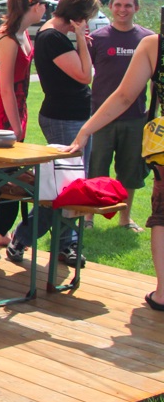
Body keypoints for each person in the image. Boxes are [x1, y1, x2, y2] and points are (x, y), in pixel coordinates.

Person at [67, 22, 164, 311]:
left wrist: (86, 129)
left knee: (162, 215)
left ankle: (162, 294)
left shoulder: (154, 45)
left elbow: (124, 96)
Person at [5, 0, 100, 268]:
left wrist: (79, 41)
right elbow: (85, 75)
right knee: (63, 188)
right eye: (87, 19)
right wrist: (80, 40)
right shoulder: (52, 38)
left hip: (75, 117)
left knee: (71, 187)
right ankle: (24, 238)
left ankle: (65, 244)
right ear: (78, 17)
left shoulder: (56, 36)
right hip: (64, 119)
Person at [0, 0, 47, 248]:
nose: (46, 10)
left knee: (12, 172)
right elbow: (5, 87)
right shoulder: (8, 39)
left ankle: (2, 231)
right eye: (45, 5)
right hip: (1, 110)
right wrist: (14, 127)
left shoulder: (24, 34)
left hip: (17, 107)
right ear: (36, 6)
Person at [89, 0, 152, 231]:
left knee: (130, 170)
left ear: (137, 8)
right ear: (110, 7)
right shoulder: (97, 39)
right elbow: (84, 72)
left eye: (127, 5)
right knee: (96, 169)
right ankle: (89, 217)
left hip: (135, 117)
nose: (122, 10)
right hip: (102, 117)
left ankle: (125, 218)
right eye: (118, 5)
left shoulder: (147, 40)